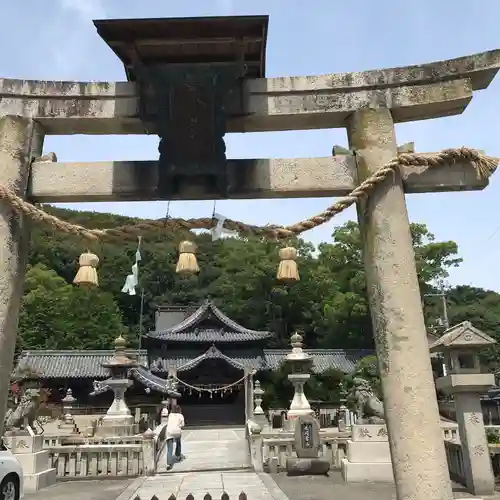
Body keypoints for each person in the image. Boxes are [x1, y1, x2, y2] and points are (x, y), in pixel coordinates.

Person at [165, 404, 184, 470]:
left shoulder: (170, 415)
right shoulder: (181, 415)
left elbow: (167, 422)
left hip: (169, 431)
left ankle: (169, 464)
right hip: (177, 431)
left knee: (169, 448)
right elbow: (182, 425)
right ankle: (178, 455)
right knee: (178, 442)